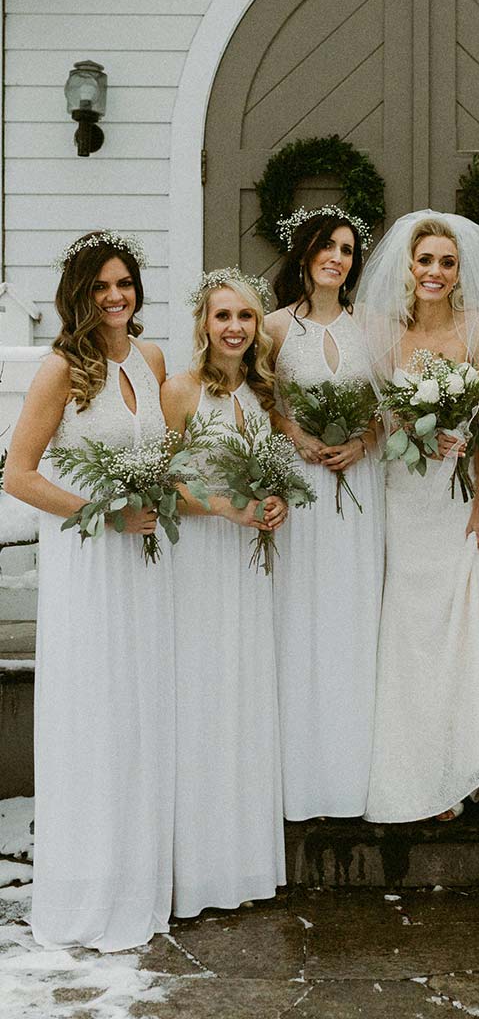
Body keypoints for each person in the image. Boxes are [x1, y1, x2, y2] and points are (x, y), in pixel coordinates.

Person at [4, 231, 173, 951]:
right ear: (80, 292)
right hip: (90, 558)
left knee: (142, 708)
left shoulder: (152, 357)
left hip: (148, 558)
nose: (115, 296)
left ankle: (139, 879)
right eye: (101, 285)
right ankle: (87, 891)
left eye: (125, 283)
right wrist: (103, 513)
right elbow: (18, 474)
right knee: (96, 710)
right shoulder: (61, 369)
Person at [360, 210, 479, 824]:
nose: (434, 271)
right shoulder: (383, 332)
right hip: (404, 496)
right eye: (424, 260)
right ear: (408, 267)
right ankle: (418, 769)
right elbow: (378, 418)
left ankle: (465, 764)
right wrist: (409, 429)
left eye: (446, 262)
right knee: (411, 629)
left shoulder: (478, 328)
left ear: (460, 273)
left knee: (461, 624)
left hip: (458, 498)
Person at [161, 268, 287, 917]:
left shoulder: (266, 396)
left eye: (244, 316)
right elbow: (166, 482)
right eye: (222, 316)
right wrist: (227, 507)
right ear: (203, 324)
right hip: (201, 560)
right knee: (203, 695)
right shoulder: (180, 392)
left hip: (252, 564)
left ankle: (243, 864)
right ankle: (198, 868)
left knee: (244, 695)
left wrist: (270, 503)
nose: (234, 327)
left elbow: (278, 471)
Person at [265, 205, 384, 820]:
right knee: (301, 618)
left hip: (360, 493)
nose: (337, 257)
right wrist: (294, 433)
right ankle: (300, 776)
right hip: (303, 491)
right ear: (305, 254)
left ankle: (353, 774)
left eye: (347, 249)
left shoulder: (375, 325)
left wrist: (362, 441)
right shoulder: (274, 327)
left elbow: (389, 406)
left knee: (353, 619)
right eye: (327, 247)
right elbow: (256, 398)